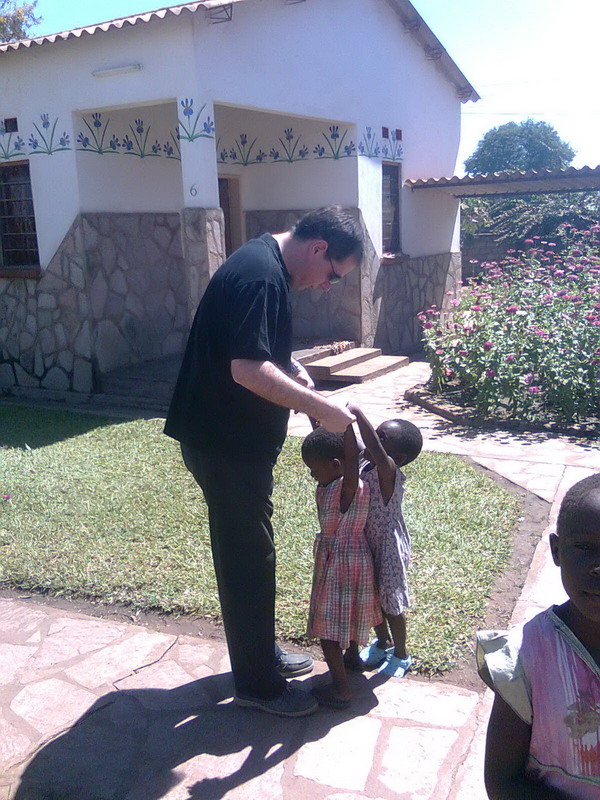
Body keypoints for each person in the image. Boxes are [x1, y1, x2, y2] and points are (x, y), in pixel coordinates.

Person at [164, 207, 363, 717]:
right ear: (319, 248)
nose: (327, 286)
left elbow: (251, 344)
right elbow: (247, 369)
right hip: (225, 443)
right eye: (334, 274)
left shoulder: (263, 264)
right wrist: (322, 409)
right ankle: (258, 685)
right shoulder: (260, 275)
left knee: (251, 550)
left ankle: (260, 654)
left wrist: (291, 367)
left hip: (232, 442)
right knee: (248, 559)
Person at [477, 473, 600, 800]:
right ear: (557, 551)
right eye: (585, 548)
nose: (599, 567)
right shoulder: (525, 657)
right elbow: (503, 782)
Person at [301, 424, 382, 709]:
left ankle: (342, 690)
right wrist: (318, 416)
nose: (312, 475)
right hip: (355, 558)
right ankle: (353, 658)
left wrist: (347, 426)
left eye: (314, 470)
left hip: (339, 563)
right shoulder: (338, 482)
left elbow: (348, 461)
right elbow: (336, 447)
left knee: (328, 631)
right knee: (349, 613)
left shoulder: (346, 488)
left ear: (336, 465)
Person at [348, 406, 423, 677]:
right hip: (365, 542)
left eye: (381, 438)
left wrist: (357, 413)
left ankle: (401, 653)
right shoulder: (364, 461)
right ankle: (383, 642)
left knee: (391, 603)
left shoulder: (388, 471)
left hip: (388, 547)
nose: (372, 440)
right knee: (372, 599)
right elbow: (346, 439)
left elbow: (373, 447)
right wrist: (322, 416)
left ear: (398, 457)